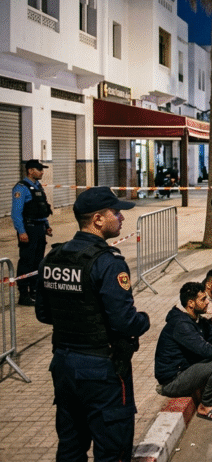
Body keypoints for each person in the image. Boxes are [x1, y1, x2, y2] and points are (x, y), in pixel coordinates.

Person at [35, 187, 150, 462]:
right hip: (101, 369)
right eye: (116, 212)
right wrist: (143, 321)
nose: (121, 218)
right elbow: (124, 321)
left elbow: (43, 314)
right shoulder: (108, 262)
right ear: (98, 219)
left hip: (63, 365)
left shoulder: (53, 258)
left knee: (71, 447)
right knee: (113, 449)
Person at [154, 282, 212, 422]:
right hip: (173, 381)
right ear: (191, 303)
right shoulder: (181, 324)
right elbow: (205, 350)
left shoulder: (195, 318)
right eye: (203, 299)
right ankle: (206, 406)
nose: (207, 302)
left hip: (187, 370)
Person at [12, 159, 53, 306]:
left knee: (38, 261)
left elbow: (41, 208)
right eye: (39, 169)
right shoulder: (21, 188)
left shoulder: (38, 186)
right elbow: (16, 213)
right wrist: (21, 231)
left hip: (39, 228)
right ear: (30, 171)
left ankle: (34, 291)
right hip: (28, 228)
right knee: (26, 261)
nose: (42, 172)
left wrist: (46, 225)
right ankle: (23, 294)